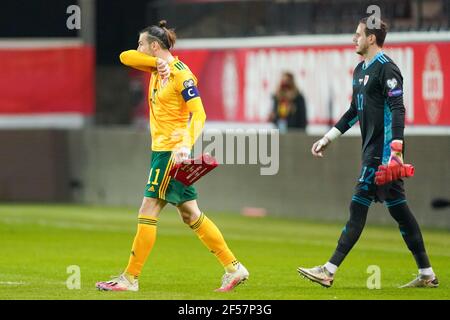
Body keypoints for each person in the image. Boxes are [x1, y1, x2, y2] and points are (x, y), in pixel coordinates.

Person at [95, 20, 249, 292]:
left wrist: (185, 145)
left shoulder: (182, 75)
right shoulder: (154, 66)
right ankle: (234, 267)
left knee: (148, 209)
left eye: (141, 43)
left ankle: (130, 278)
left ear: (154, 46)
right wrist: (156, 64)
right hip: (163, 150)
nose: (137, 48)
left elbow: (199, 114)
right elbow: (123, 57)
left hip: (171, 152)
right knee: (190, 214)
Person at [297, 17, 438, 288]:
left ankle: (328, 269)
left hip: (383, 154)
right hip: (372, 151)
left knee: (357, 207)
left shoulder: (388, 69)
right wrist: (329, 137)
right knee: (400, 212)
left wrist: (396, 150)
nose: (354, 38)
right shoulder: (360, 69)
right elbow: (353, 112)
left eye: (358, 34)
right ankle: (427, 273)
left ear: (371, 38)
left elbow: (398, 108)